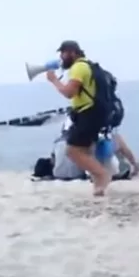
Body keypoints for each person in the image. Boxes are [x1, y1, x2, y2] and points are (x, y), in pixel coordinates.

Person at [45, 40, 110, 195]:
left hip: (89, 113)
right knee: (85, 151)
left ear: (72, 53)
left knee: (72, 151)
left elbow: (69, 92)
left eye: (63, 53)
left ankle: (102, 175)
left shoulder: (78, 67)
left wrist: (54, 80)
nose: (61, 57)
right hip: (94, 113)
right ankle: (98, 187)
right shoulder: (88, 65)